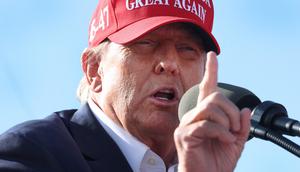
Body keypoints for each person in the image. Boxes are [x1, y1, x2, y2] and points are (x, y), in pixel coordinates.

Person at [0, 0, 251, 171]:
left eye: (187, 49)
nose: (170, 63)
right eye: (146, 43)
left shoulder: (212, 161)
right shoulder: (31, 152)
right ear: (94, 69)